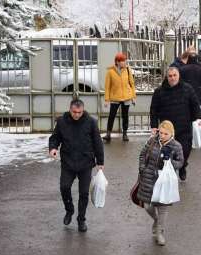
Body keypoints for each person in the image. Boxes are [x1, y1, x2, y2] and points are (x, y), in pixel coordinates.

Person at [49, 99, 104, 232]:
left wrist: (100, 162)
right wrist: (53, 148)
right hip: (68, 162)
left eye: (79, 112)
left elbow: (98, 142)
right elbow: (55, 137)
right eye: (74, 112)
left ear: (83, 110)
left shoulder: (91, 122)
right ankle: (69, 210)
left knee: (84, 193)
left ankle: (81, 220)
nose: (77, 115)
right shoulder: (62, 121)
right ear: (70, 109)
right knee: (64, 187)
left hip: (85, 162)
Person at [150, 67, 201, 181]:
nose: (173, 78)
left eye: (175, 75)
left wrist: (198, 118)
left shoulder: (187, 89)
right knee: (167, 152)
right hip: (166, 129)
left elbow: (195, 104)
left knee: (185, 150)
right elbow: (153, 109)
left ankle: (183, 166)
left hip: (184, 127)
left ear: (178, 76)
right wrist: (154, 125)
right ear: (166, 77)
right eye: (170, 76)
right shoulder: (159, 92)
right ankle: (170, 172)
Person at [137, 120, 184, 246]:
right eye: (161, 133)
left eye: (165, 134)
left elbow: (180, 162)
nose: (162, 136)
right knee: (147, 205)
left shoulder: (176, 146)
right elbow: (142, 154)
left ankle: (160, 232)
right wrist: (142, 168)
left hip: (165, 181)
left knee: (162, 207)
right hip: (149, 178)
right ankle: (157, 221)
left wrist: (169, 162)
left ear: (171, 134)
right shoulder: (152, 141)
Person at [103, 52, 136, 142]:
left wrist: (133, 97)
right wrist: (106, 100)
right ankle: (108, 134)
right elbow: (107, 87)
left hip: (126, 97)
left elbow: (132, 84)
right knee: (112, 115)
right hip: (115, 98)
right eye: (122, 61)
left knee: (125, 116)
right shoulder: (110, 72)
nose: (124, 62)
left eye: (125, 61)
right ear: (117, 62)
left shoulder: (128, 70)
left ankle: (125, 133)